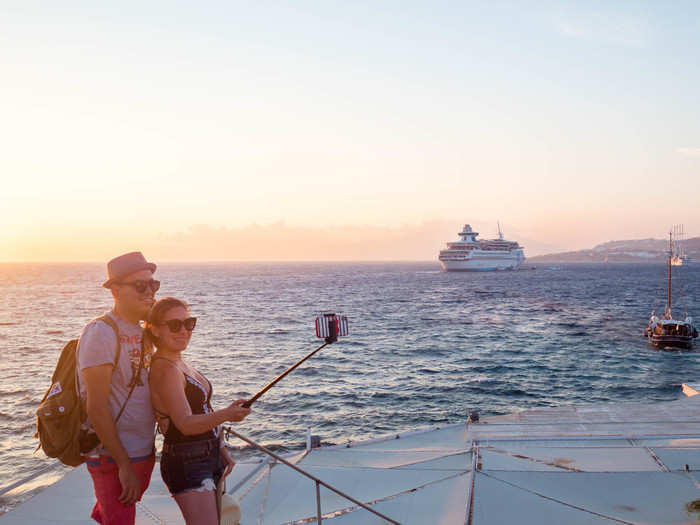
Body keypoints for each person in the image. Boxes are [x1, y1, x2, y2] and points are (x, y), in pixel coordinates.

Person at [147, 297, 250, 525]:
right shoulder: (164, 368)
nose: (184, 330)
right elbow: (184, 423)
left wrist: (220, 445)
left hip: (207, 454)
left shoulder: (178, 361)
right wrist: (227, 414)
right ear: (154, 330)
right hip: (187, 460)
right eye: (174, 325)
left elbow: (203, 408)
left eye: (189, 323)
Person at [77, 251, 160, 524]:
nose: (149, 291)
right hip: (113, 457)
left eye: (153, 284)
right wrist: (123, 464)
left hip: (142, 450)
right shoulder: (100, 332)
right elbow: (96, 406)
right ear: (115, 290)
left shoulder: (143, 331)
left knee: (115, 515)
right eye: (140, 285)